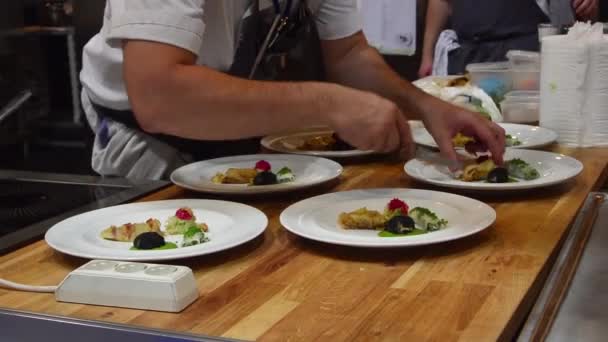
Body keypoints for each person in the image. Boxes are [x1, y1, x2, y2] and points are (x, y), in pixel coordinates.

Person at [80, 0, 505, 180]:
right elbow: (161, 96)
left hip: (226, 130)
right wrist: (327, 103)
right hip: (144, 141)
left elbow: (350, 53)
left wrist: (426, 107)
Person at [419, 0, 600, 77]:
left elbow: (577, 10)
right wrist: (427, 55)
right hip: (465, 58)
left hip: (523, 58)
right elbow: (441, 1)